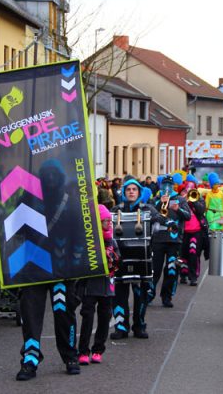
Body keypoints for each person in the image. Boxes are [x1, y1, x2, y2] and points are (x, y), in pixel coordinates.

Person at [15, 159, 83, 381]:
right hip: (34, 269)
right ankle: (30, 361)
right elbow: (16, 229)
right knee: (31, 318)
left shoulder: (70, 202)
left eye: (55, 174)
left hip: (61, 270)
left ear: (61, 176)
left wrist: (76, 266)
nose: (51, 178)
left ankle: (70, 356)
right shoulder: (28, 200)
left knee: (64, 314)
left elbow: (80, 236)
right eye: (47, 174)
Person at [110, 178, 158, 341]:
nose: (131, 192)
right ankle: (121, 326)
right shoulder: (116, 209)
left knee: (140, 295)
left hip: (141, 258)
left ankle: (139, 325)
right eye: (128, 189)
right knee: (119, 295)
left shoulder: (148, 209)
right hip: (121, 259)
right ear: (124, 192)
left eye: (134, 189)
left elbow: (160, 222)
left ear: (139, 192)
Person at [77, 204, 118, 365]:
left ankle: (98, 350)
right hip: (90, 286)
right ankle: (83, 351)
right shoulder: (89, 240)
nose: (108, 223)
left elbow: (117, 262)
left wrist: (112, 258)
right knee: (87, 317)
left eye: (109, 220)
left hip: (107, 287)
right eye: (104, 220)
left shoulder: (111, 240)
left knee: (104, 318)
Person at [149, 175, 190, 308]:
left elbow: (188, 216)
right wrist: (160, 202)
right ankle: (150, 293)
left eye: (169, 185)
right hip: (158, 240)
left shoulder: (180, 199)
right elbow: (149, 216)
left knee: (171, 269)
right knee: (155, 269)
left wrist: (178, 209)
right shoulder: (154, 199)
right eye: (164, 185)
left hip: (174, 240)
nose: (167, 188)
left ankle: (167, 296)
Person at [180, 174, 206, 286]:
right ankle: (183, 274)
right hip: (183, 231)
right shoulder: (179, 199)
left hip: (196, 231)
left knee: (193, 252)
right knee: (183, 254)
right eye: (187, 190)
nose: (189, 192)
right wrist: (183, 200)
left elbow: (201, 211)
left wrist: (193, 200)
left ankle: (193, 276)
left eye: (191, 190)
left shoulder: (199, 199)